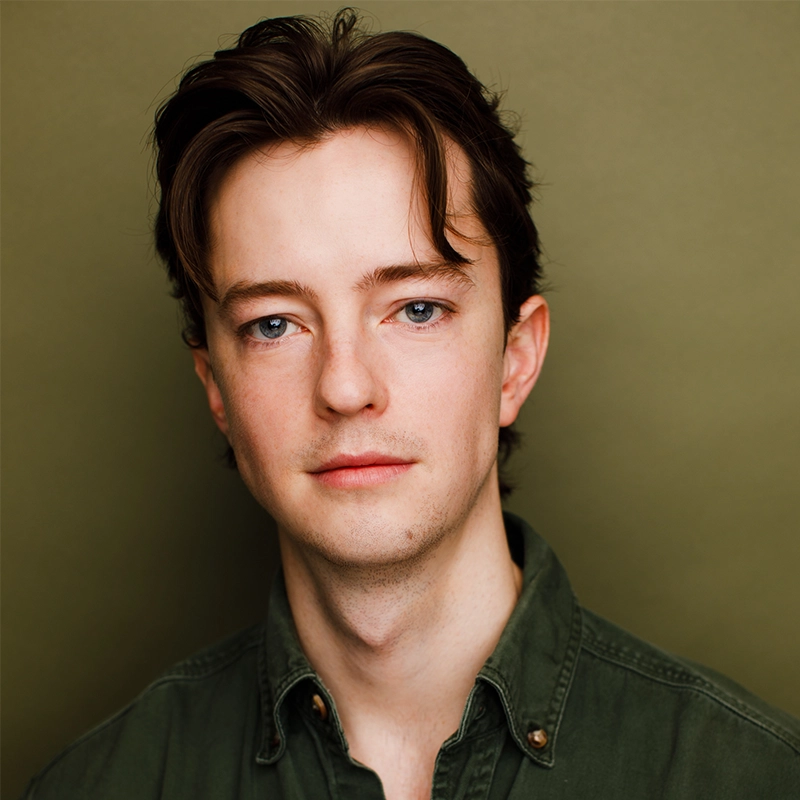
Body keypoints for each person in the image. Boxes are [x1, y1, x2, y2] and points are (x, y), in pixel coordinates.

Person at [23, 9, 799, 799]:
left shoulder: (750, 778)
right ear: (216, 388)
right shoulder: (97, 787)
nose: (346, 387)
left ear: (515, 360)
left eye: (416, 308)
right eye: (274, 324)